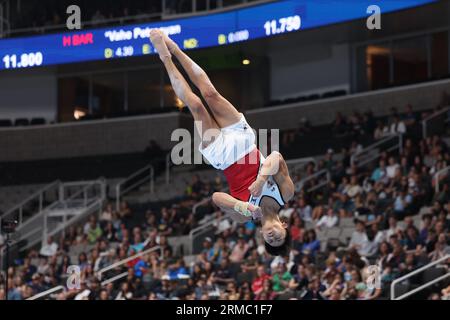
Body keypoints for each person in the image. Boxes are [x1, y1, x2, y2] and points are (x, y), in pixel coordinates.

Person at [150, 30, 295, 256]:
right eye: (279, 238)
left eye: (271, 242)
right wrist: (261, 179)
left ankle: (165, 57)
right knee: (210, 94)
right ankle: (174, 48)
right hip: (245, 142)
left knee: (196, 106)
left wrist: (242, 205)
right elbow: (276, 157)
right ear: (284, 227)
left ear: (262, 236)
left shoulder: (243, 216)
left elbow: (216, 198)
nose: (273, 237)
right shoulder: (285, 194)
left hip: (221, 155)